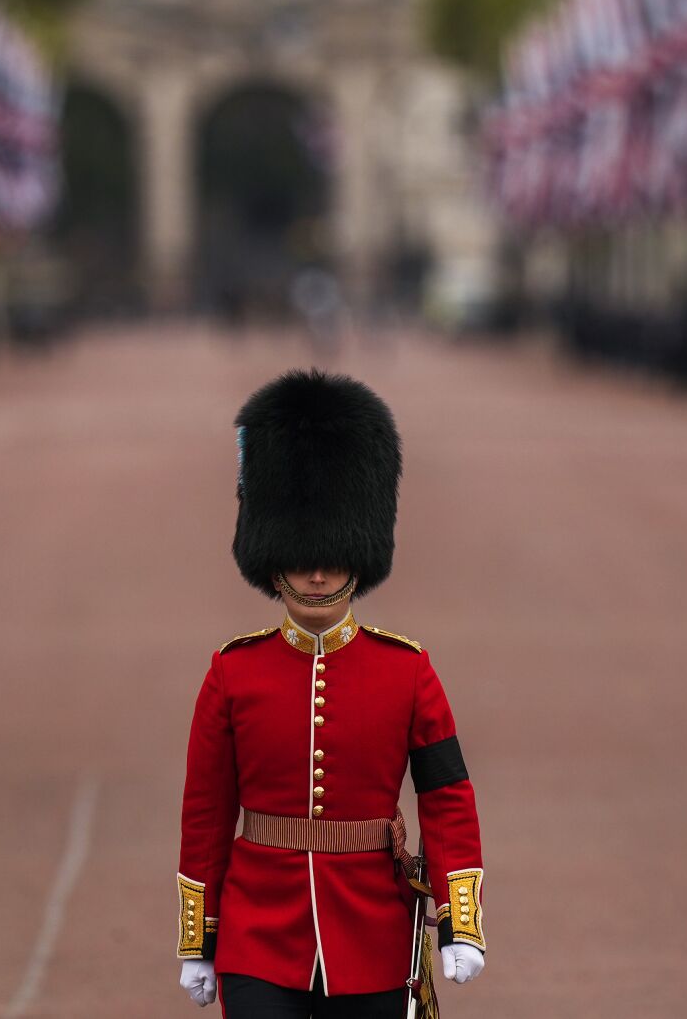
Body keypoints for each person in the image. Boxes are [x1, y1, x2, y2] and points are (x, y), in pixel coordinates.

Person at [177, 369, 486, 1016]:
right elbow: (206, 813)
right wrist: (198, 936)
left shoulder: (408, 670)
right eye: (300, 556)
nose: (317, 572)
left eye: (333, 556)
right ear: (274, 556)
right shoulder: (234, 672)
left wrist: (461, 919)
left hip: (372, 930)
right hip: (257, 933)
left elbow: (447, 796)